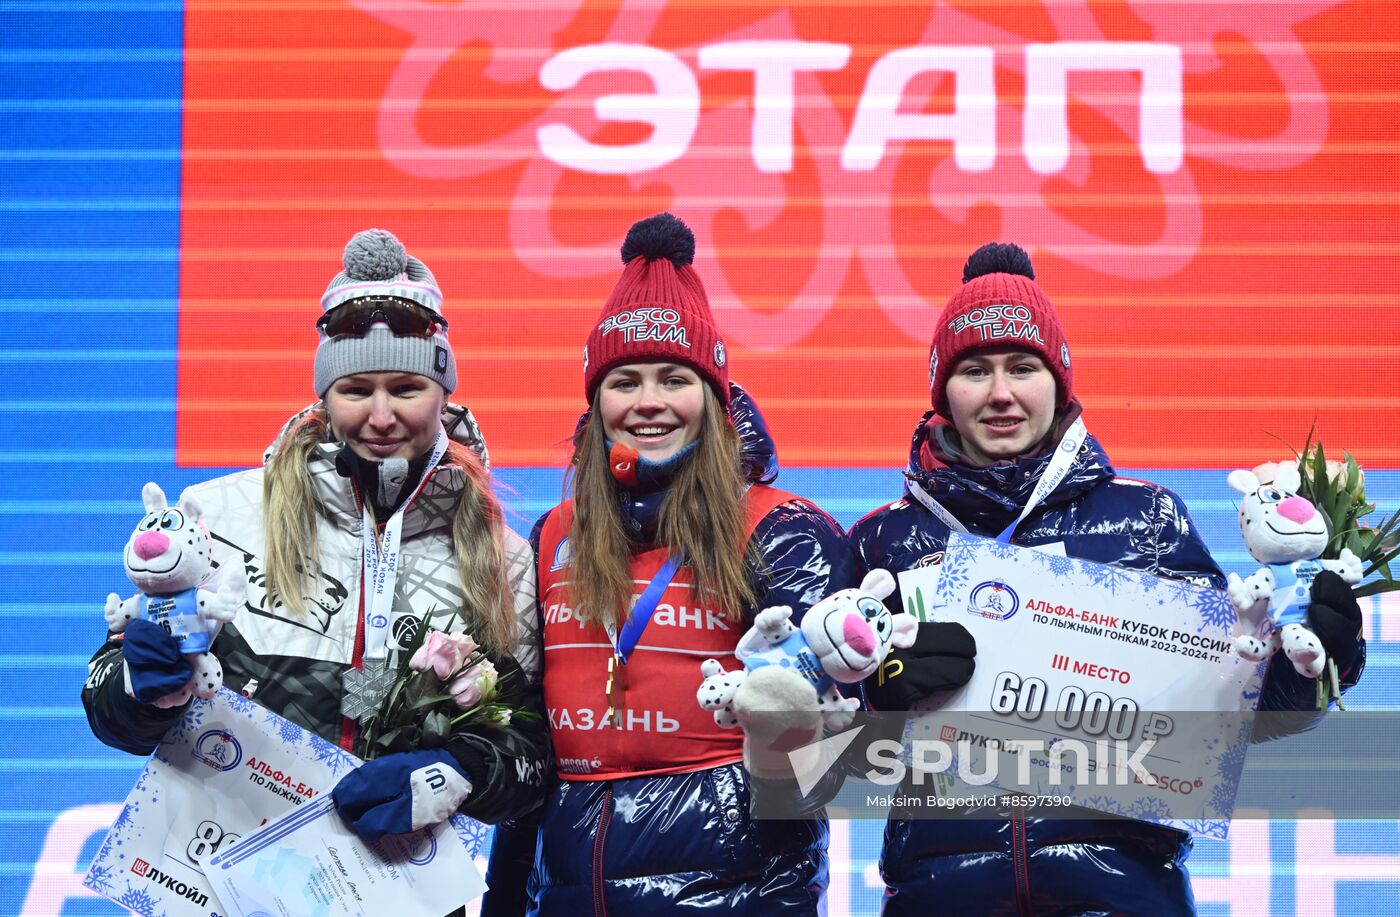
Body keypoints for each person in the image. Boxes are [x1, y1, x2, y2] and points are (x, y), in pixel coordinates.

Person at [851, 242, 1366, 916]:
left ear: (1059, 379)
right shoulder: (882, 538)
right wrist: (873, 697)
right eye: (974, 369)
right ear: (942, 388)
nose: (1001, 392)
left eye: (1023, 366)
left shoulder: (1146, 518)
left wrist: (1316, 661)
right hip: (941, 893)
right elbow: (812, 751)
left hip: (1121, 891)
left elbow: (1235, 714)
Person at [83, 228, 549, 841]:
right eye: (356, 391)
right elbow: (108, 702)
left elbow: (529, 754)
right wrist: (138, 686)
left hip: (395, 890)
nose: (381, 417)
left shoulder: (503, 561)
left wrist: (457, 772)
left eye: (407, 390)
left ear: (444, 394)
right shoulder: (220, 513)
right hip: (217, 884)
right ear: (325, 396)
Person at [483, 213, 857, 916]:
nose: (648, 402)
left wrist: (794, 726)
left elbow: (833, 764)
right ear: (596, 403)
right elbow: (531, 744)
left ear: (713, 401)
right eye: (625, 379)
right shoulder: (554, 533)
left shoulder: (782, 528)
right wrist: (501, 900)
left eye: (673, 378)